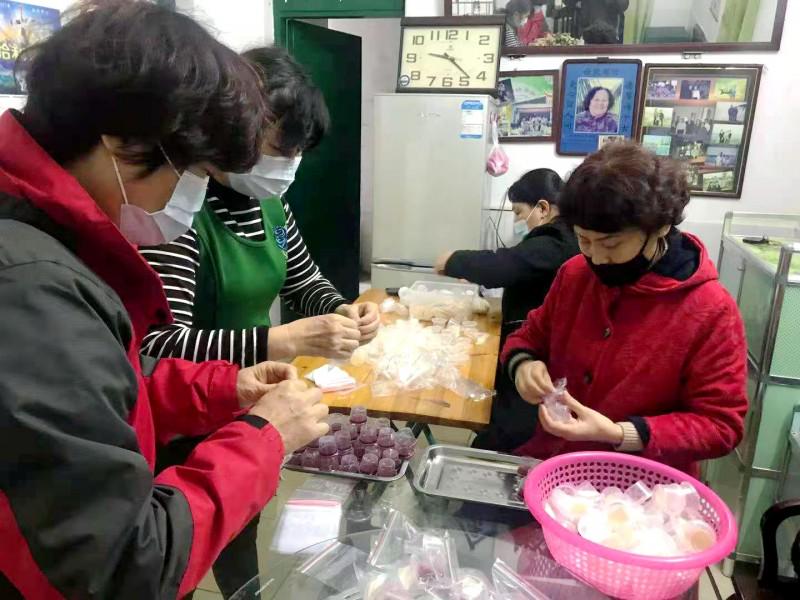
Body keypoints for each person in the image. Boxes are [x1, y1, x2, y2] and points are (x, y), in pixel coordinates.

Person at [0, 3, 329, 599]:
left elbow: (108, 379)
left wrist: (226, 388)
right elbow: (127, 565)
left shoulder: (58, 242)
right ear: (120, 145)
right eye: (193, 170)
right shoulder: (29, 284)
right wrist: (263, 436)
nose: (194, 192)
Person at [139, 46, 379, 598]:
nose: (286, 164)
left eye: (296, 151)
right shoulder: (178, 209)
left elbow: (304, 280)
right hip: (180, 414)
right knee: (187, 541)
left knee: (243, 531)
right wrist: (277, 339)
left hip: (249, 399)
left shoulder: (272, 206)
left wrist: (341, 308)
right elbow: (158, 345)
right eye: (278, 147)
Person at [502, 141, 747, 476]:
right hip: (555, 467)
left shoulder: (711, 310)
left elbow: (721, 425)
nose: (597, 258)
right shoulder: (575, 274)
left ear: (659, 228)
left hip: (642, 490)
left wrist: (621, 434)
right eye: (584, 240)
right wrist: (524, 365)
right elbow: (528, 336)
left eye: (611, 244)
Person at [434, 169, 579, 451]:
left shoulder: (557, 241)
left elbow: (506, 263)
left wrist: (453, 260)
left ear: (543, 208)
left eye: (518, 212)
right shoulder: (563, 237)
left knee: (506, 437)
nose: (517, 221)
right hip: (531, 349)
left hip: (541, 360)